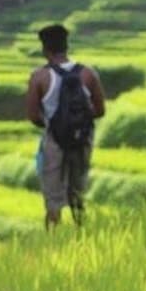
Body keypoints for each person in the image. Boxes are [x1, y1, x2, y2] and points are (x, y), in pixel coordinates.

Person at [26, 24, 106, 228]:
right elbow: (100, 110)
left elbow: (33, 116)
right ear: (66, 46)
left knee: (53, 200)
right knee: (78, 194)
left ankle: (53, 242)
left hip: (54, 141)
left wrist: (55, 124)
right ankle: (83, 235)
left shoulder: (39, 77)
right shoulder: (88, 74)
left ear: (45, 49)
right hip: (82, 139)